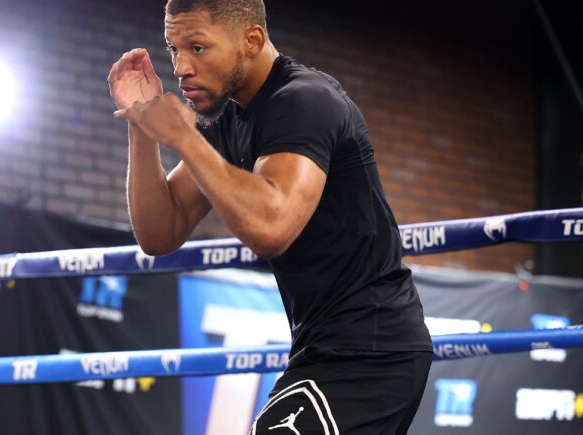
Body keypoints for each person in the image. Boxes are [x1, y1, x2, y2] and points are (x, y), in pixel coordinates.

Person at [107, 0, 433, 433]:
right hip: (324, 348)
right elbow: (160, 233)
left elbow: (271, 228)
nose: (181, 67)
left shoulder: (305, 101)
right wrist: (141, 123)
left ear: (252, 40)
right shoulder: (229, 121)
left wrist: (183, 136)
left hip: (372, 349)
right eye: (173, 49)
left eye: (198, 48)